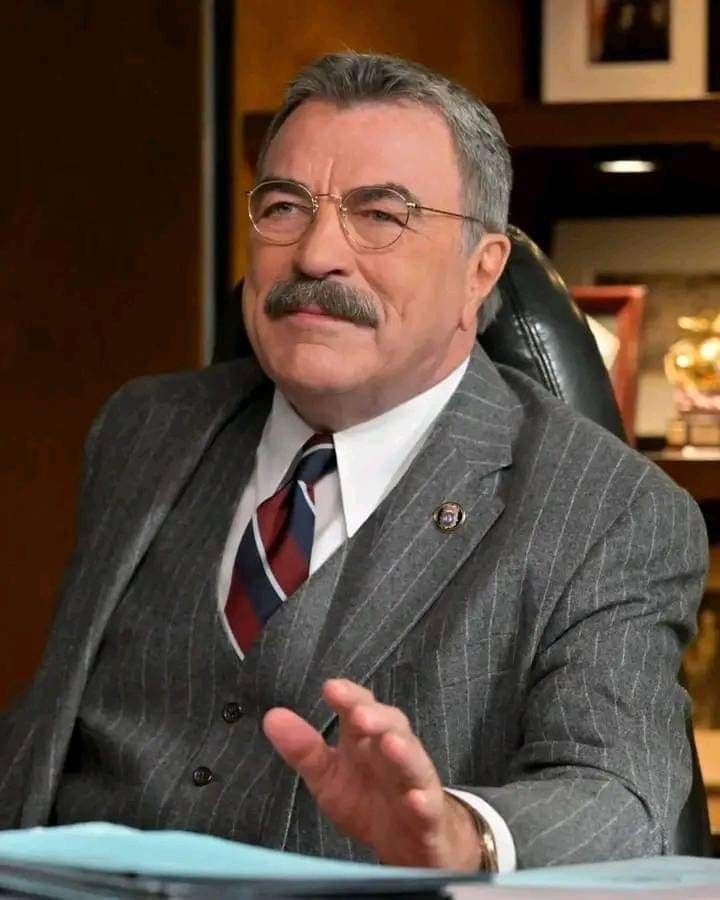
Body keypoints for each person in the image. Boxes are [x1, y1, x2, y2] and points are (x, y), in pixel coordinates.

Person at [0, 52, 707, 872]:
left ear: (481, 272)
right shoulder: (143, 428)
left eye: (380, 215)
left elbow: (620, 795)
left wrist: (461, 833)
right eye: (284, 206)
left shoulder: (610, 508)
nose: (315, 255)